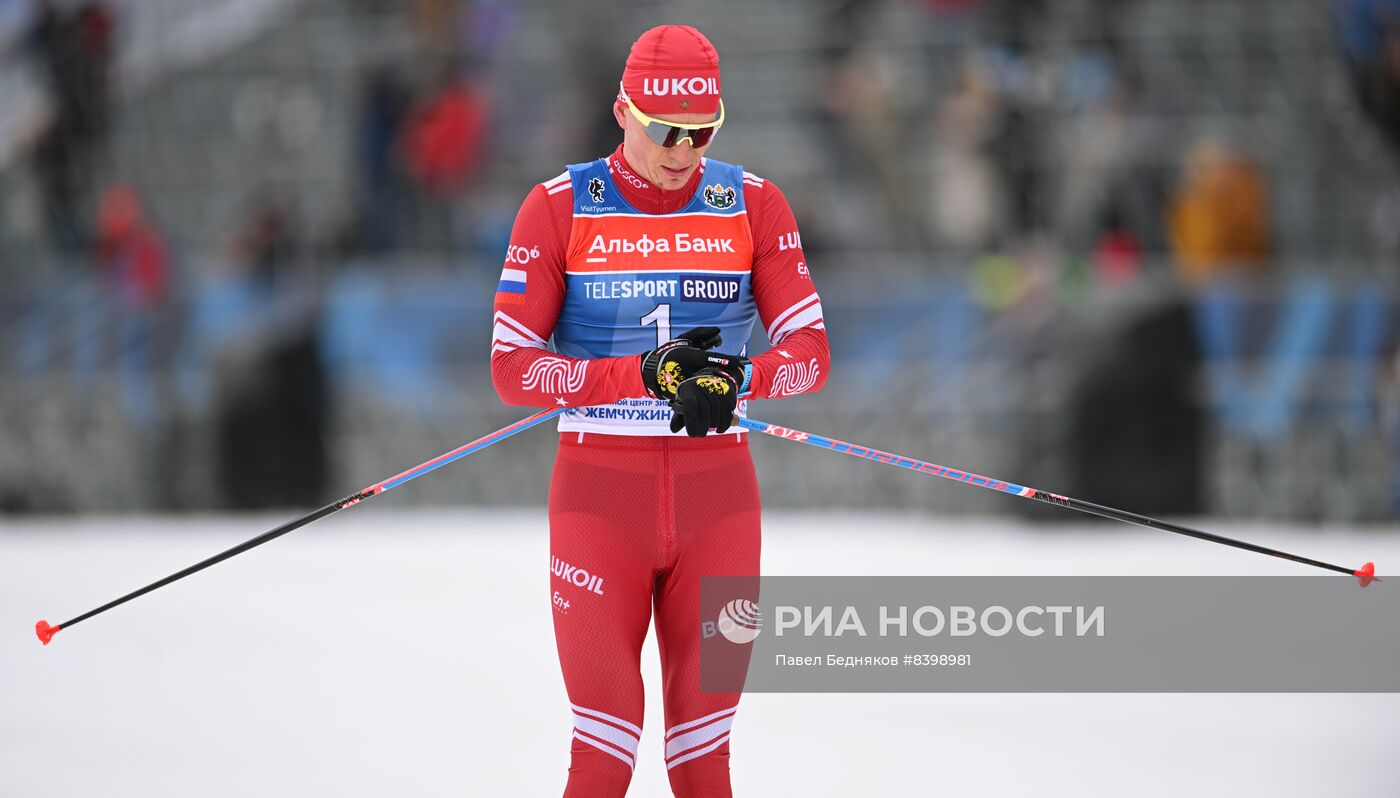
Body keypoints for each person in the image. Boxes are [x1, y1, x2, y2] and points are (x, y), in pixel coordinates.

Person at [489, 24, 830, 797]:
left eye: (703, 131)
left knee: (703, 757)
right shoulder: (559, 206)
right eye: (665, 130)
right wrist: (636, 375)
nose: (683, 150)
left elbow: (810, 352)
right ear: (622, 111)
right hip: (598, 502)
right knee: (605, 751)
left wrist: (738, 379)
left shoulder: (751, 202)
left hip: (719, 506)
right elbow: (512, 368)